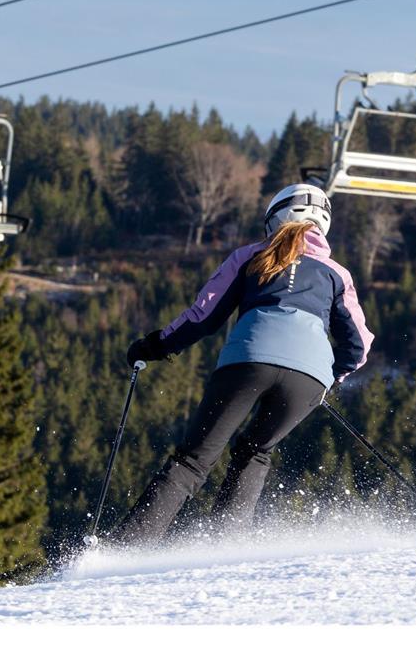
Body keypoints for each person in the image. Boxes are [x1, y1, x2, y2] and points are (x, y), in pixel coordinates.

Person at [112, 183, 374, 546]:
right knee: (255, 452)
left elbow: (202, 317)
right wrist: (331, 378)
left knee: (193, 460)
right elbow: (358, 346)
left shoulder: (250, 256)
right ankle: (226, 546)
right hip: (308, 378)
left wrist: (154, 346)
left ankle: (128, 548)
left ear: (274, 218)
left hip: (247, 360)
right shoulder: (337, 274)